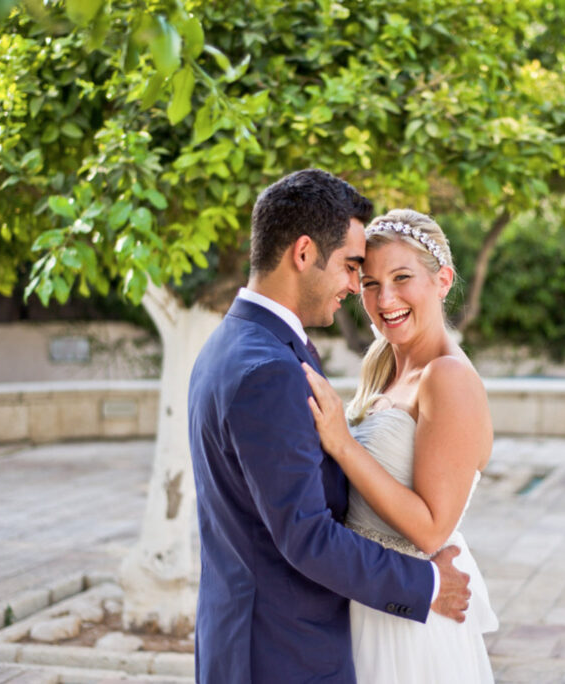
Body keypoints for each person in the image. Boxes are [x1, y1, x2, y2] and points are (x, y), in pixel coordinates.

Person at [187, 170, 471, 684]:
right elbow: (306, 536)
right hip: (282, 652)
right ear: (302, 253)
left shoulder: (233, 343)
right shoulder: (269, 367)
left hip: (252, 637)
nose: (354, 287)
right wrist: (426, 585)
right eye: (352, 268)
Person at [303, 208, 499, 683]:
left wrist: (342, 444)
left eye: (402, 278)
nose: (384, 298)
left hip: (410, 622)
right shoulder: (384, 362)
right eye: (369, 283)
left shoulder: (447, 377)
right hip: (370, 596)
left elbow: (431, 530)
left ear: (443, 280)